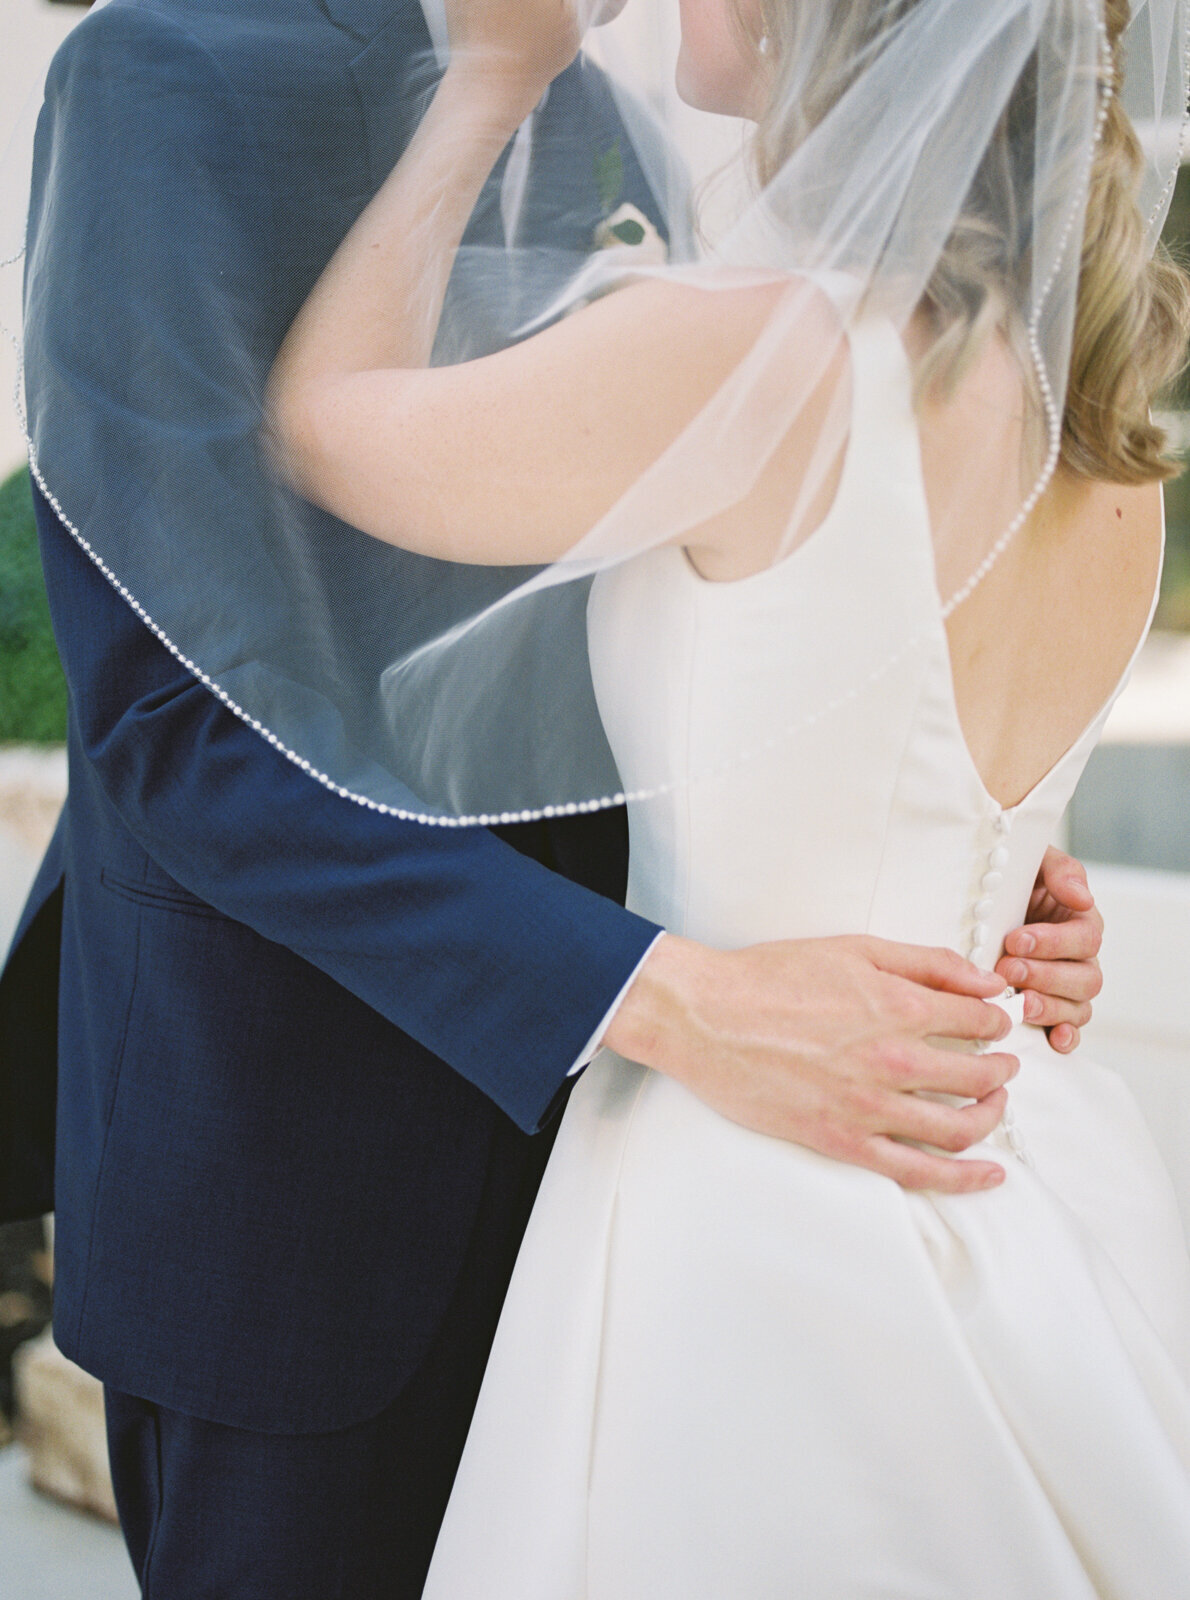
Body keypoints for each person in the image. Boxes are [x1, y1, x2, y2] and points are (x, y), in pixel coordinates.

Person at [0, 0, 1105, 1595]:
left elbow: (738, 608)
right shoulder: (169, 66)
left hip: (674, 1179)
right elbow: (175, 716)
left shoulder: (631, 108)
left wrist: (974, 857)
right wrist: (657, 998)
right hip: (302, 1174)